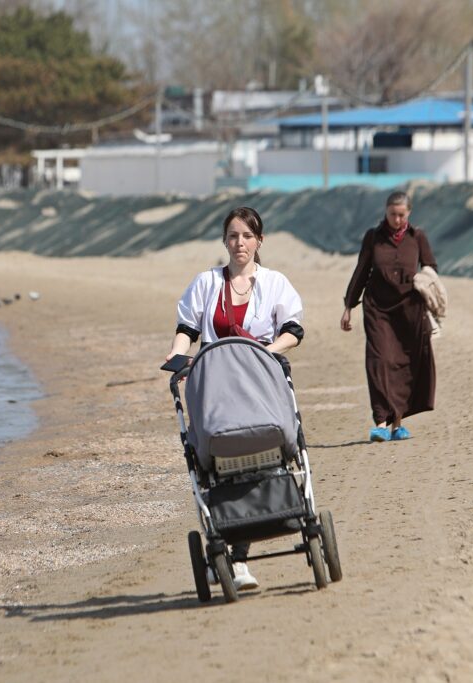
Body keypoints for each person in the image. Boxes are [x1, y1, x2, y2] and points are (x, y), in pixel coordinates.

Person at [166, 206, 305, 591]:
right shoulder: (206, 282)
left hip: (260, 382)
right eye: (232, 236)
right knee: (218, 463)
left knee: (262, 450)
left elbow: (293, 330)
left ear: (259, 240)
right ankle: (229, 555)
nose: (239, 243)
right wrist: (176, 356)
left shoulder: (275, 283)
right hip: (217, 386)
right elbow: (187, 329)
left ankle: (238, 558)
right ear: (224, 241)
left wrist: (267, 352)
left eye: (246, 236)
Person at [340, 190, 437, 443]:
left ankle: (398, 424)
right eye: (392, 214)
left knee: (404, 363)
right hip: (377, 308)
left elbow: (430, 266)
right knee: (379, 360)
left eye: (401, 215)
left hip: (409, 310)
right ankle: (381, 423)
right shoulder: (373, 237)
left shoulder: (418, 237)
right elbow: (362, 270)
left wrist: (425, 280)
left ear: (409, 213)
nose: (397, 219)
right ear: (386, 212)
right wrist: (349, 305)